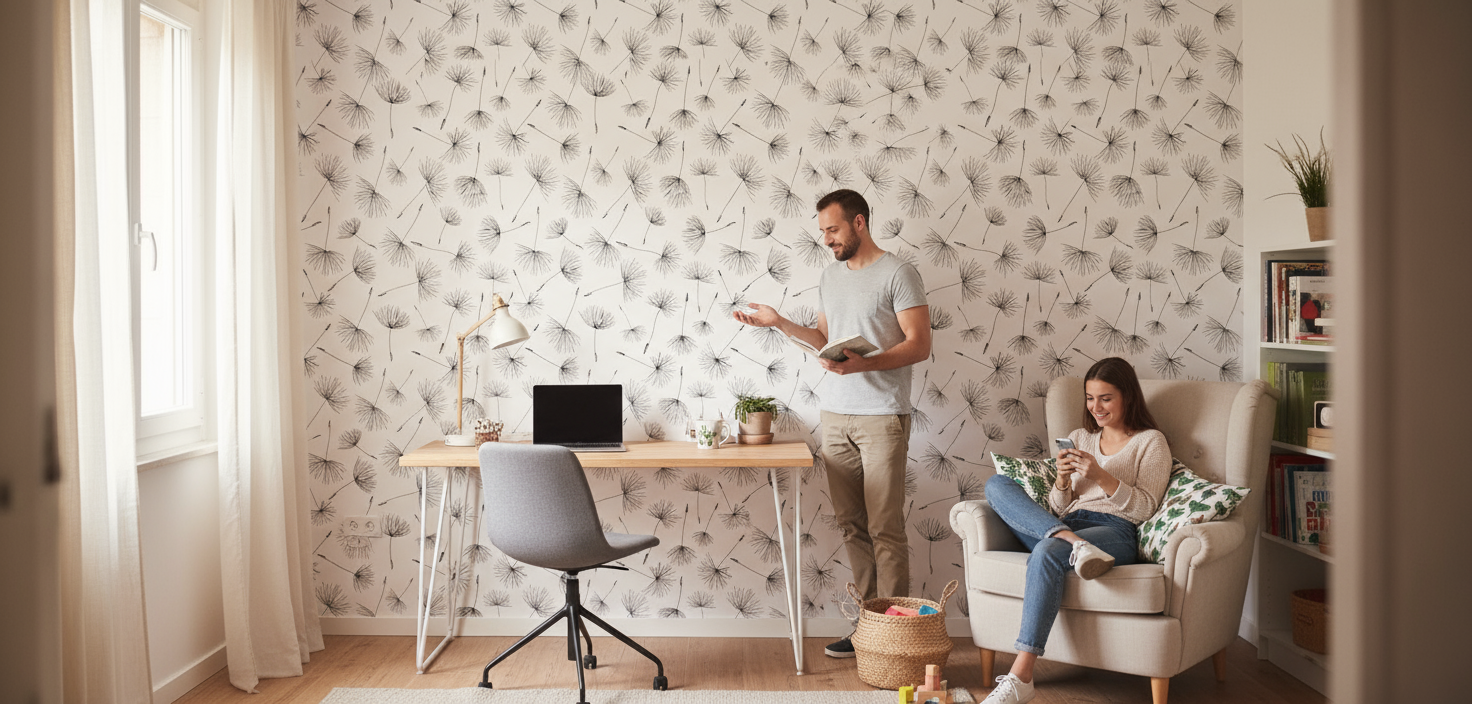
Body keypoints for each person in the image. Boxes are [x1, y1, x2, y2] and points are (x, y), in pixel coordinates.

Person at [731, 189, 930, 658]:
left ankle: (894, 639)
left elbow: (919, 345)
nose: (827, 239)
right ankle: (867, 626)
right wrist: (780, 322)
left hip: (882, 417)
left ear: (859, 223)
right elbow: (824, 338)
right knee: (851, 525)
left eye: (834, 230)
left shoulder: (899, 273)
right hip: (835, 416)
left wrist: (864, 366)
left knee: (885, 527)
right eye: (822, 231)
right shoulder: (830, 275)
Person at [979, 357, 1173, 704]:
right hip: (1065, 524)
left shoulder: (1151, 442)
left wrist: (1101, 475)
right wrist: (1062, 479)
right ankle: (1071, 543)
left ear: (1127, 396)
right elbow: (1058, 507)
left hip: (1114, 530)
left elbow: (1145, 508)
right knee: (997, 484)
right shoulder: (1082, 437)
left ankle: (1021, 677)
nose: (1095, 407)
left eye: (1106, 398)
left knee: (1048, 549)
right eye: (1090, 398)